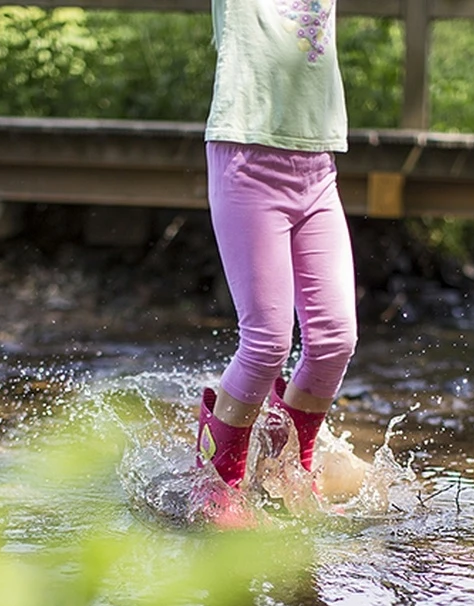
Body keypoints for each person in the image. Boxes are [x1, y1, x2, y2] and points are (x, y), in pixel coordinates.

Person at [195, 0, 358, 516]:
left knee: (334, 341)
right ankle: (219, 484)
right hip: (247, 155)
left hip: (317, 169)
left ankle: (289, 468)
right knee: (266, 344)